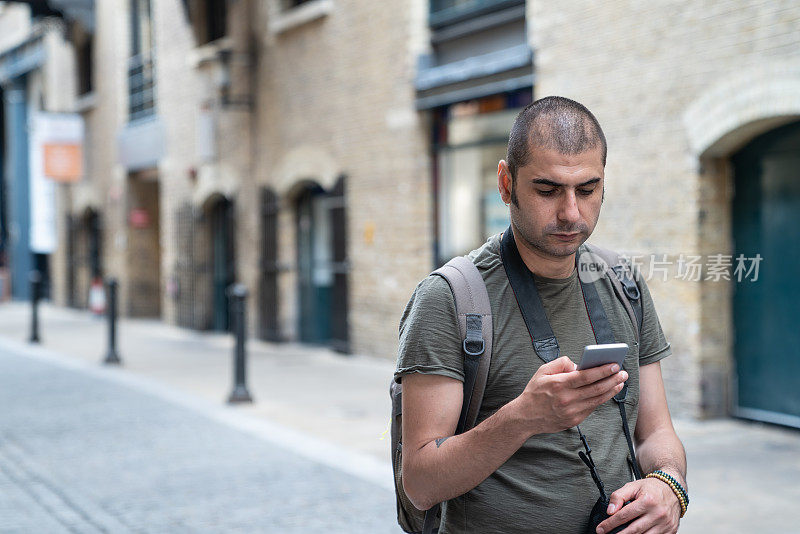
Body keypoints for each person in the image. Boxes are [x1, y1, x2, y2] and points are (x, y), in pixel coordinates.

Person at [395, 96, 686, 534]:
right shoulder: (448, 299)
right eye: (548, 190)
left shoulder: (623, 283)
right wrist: (525, 417)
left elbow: (656, 432)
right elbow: (419, 482)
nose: (571, 212)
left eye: (587, 190)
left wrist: (668, 486)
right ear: (506, 183)